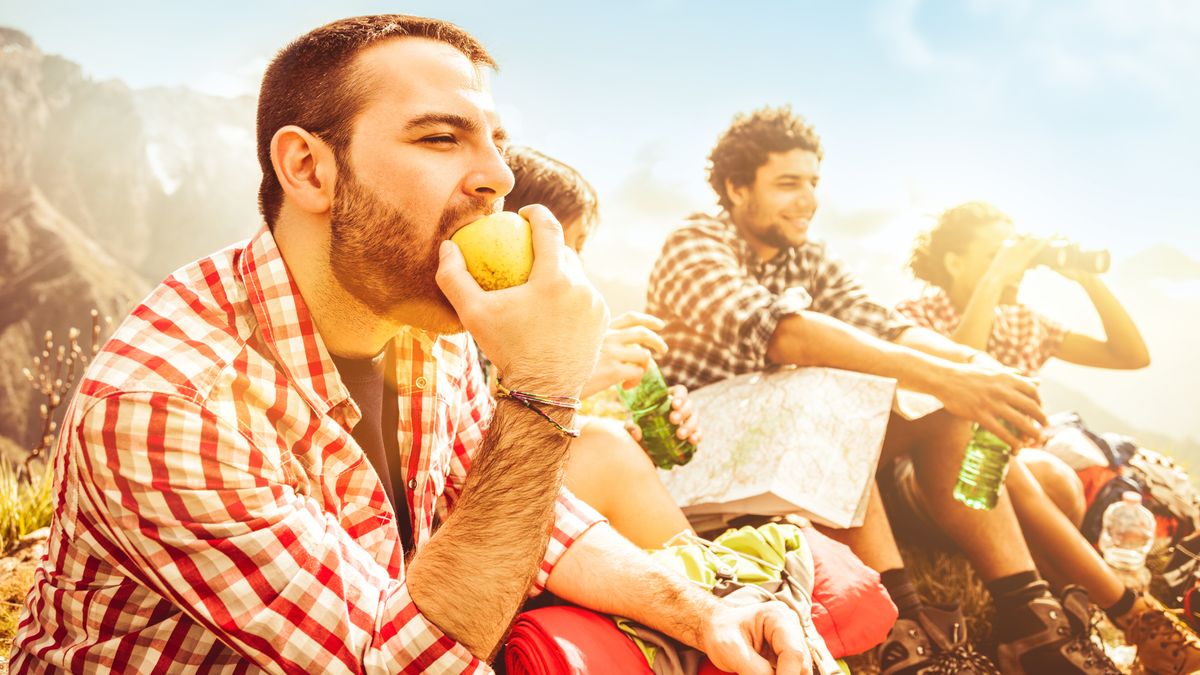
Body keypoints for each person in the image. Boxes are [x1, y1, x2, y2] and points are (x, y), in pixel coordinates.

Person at [8, 17, 811, 674]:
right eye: (440, 138)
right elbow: (394, 666)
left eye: (496, 141)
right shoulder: (166, 403)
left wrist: (705, 610)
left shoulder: (428, 328)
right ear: (310, 170)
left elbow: (544, 525)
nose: (497, 175)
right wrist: (541, 388)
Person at [646, 105, 1122, 674]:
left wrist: (974, 369)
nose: (808, 200)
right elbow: (779, 333)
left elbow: (885, 325)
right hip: (699, 455)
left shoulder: (809, 258)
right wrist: (946, 374)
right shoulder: (695, 241)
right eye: (787, 183)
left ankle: (1030, 619)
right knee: (828, 379)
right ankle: (902, 632)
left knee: (946, 404)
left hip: (790, 450)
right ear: (736, 187)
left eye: (814, 183)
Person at [896, 200, 1200, 674]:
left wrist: (1085, 276)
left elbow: (1130, 355)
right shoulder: (914, 313)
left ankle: (1060, 626)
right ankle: (1119, 618)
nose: (1015, 266)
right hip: (931, 482)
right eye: (996, 252)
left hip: (1012, 486)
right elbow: (957, 372)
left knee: (1047, 473)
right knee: (1039, 468)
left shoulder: (1021, 322)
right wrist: (997, 278)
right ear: (955, 261)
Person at [500, 145, 697, 548]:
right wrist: (574, 371)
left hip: (517, 504)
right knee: (605, 449)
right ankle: (719, 590)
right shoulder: (464, 326)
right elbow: (468, 439)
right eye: (559, 246)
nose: (573, 266)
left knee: (611, 444)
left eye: (579, 248)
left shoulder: (544, 326)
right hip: (477, 522)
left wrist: (641, 440)